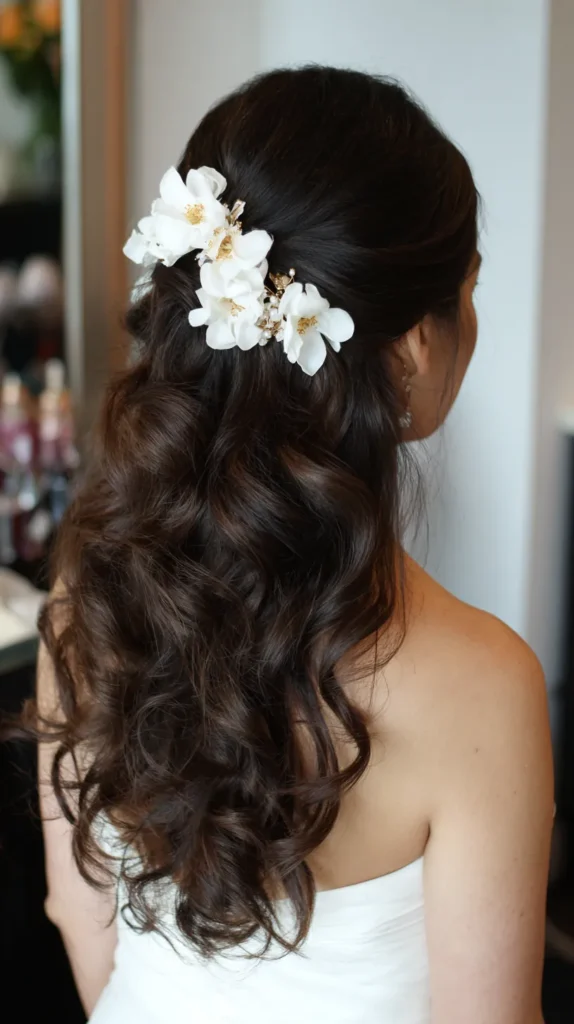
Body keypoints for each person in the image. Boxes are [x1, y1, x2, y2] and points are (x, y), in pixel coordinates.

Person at [36, 66, 553, 1024]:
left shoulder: (89, 592)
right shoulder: (488, 686)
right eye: (467, 291)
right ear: (410, 353)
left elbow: (81, 919)